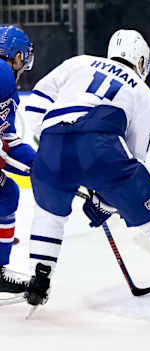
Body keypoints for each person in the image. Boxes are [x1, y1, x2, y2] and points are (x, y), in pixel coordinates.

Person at [22, 29, 150, 329]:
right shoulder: (142, 92)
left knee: (49, 215)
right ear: (141, 60)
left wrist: (46, 140)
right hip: (99, 145)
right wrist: (106, 202)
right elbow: (134, 158)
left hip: (51, 144)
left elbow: (39, 95)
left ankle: (38, 283)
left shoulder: (79, 62)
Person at [0, 25, 36, 295]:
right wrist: (41, 167)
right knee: (7, 194)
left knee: (7, 191)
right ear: (16, 55)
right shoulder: (4, 76)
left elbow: (7, 142)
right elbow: (9, 144)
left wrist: (34, 166)